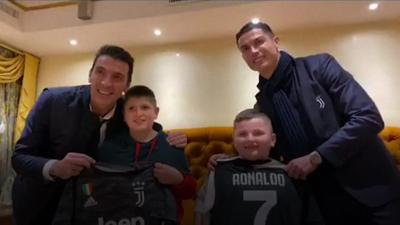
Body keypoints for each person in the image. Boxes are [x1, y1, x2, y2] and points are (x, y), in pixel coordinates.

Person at [210, 22, 400, 225]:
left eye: (258, 42)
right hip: (319, 202)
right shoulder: (263, 101)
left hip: (370, 191)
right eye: (245, 48)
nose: (253, 51)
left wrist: (316, 157)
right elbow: (268, 151)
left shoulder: (320, 66)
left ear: (275, 42)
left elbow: (368, 117)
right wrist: (230, 161)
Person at [11, 45, 187, 225]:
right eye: (100, 72)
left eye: (117, 77)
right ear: (90, 75)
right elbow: (19, 157)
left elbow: (151, 127)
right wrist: (54, 167)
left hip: (90, 210)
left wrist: (173, 137)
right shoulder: (52, 100)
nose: (106, 83)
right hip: (39, 204)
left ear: (127, 86)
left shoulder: (126, 112)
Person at [196, 108, 324, 225]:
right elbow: (202, 215)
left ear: (273, 140)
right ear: (234, 140)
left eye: (258, 133)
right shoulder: (218, 172)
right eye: (242, 134)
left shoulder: (293, 173)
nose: (250, 139)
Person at [97, 85, 196, 222]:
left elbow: (190, 192)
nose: (138, 113)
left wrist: (178, 179)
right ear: (124, 116)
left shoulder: (172, 144)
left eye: (145, 107)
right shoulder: (109, 148)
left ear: (156, 112)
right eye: (131, 108)